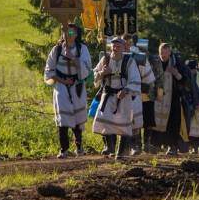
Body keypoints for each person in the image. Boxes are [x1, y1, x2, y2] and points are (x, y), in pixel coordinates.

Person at [43, 23, 92, 158]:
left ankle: (79, 146)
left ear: (76, 35)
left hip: (77, 85)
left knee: (77, 118)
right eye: (65, 32)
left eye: (71, 33)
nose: (68, 36)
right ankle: (64, 149)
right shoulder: (56, 50)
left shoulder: (82, 49)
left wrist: (72, 58)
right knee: (63, 118)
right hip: (61, 86)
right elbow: (49, 71)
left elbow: (87, 69)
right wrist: (63, 81)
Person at [92, 37, 141, 158]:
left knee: (124, 123)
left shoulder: (129, 61)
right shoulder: (105, 59)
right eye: (114, 46)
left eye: (118, 46)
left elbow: (135, 79)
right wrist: (102, 73)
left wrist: (126, 89)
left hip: (124, 96)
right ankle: (110, 147)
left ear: (124, 47)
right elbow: (94, 75)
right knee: (105, 119)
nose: (116, 48)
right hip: (108, 95)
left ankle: (121, 152)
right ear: (110, 47)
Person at [153, 43, 190, 154]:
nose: (163, 55)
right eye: (161, 53)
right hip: (157, 98)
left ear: (169, 52)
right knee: (156, 122)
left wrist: (176, 73)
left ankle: (172, 146)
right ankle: (157, 145)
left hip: (173, 99)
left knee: (172, 123)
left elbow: (186, 82)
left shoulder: (177, 64)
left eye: (165, 53)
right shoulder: (155, 63)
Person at [128, 37, 156, 155]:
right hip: (131, 93)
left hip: (145, 93)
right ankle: (136, 145)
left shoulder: (143, 56)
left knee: (148, 121)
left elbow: (152, 77)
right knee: (134, 120)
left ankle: (147, 144)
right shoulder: (125, 56)